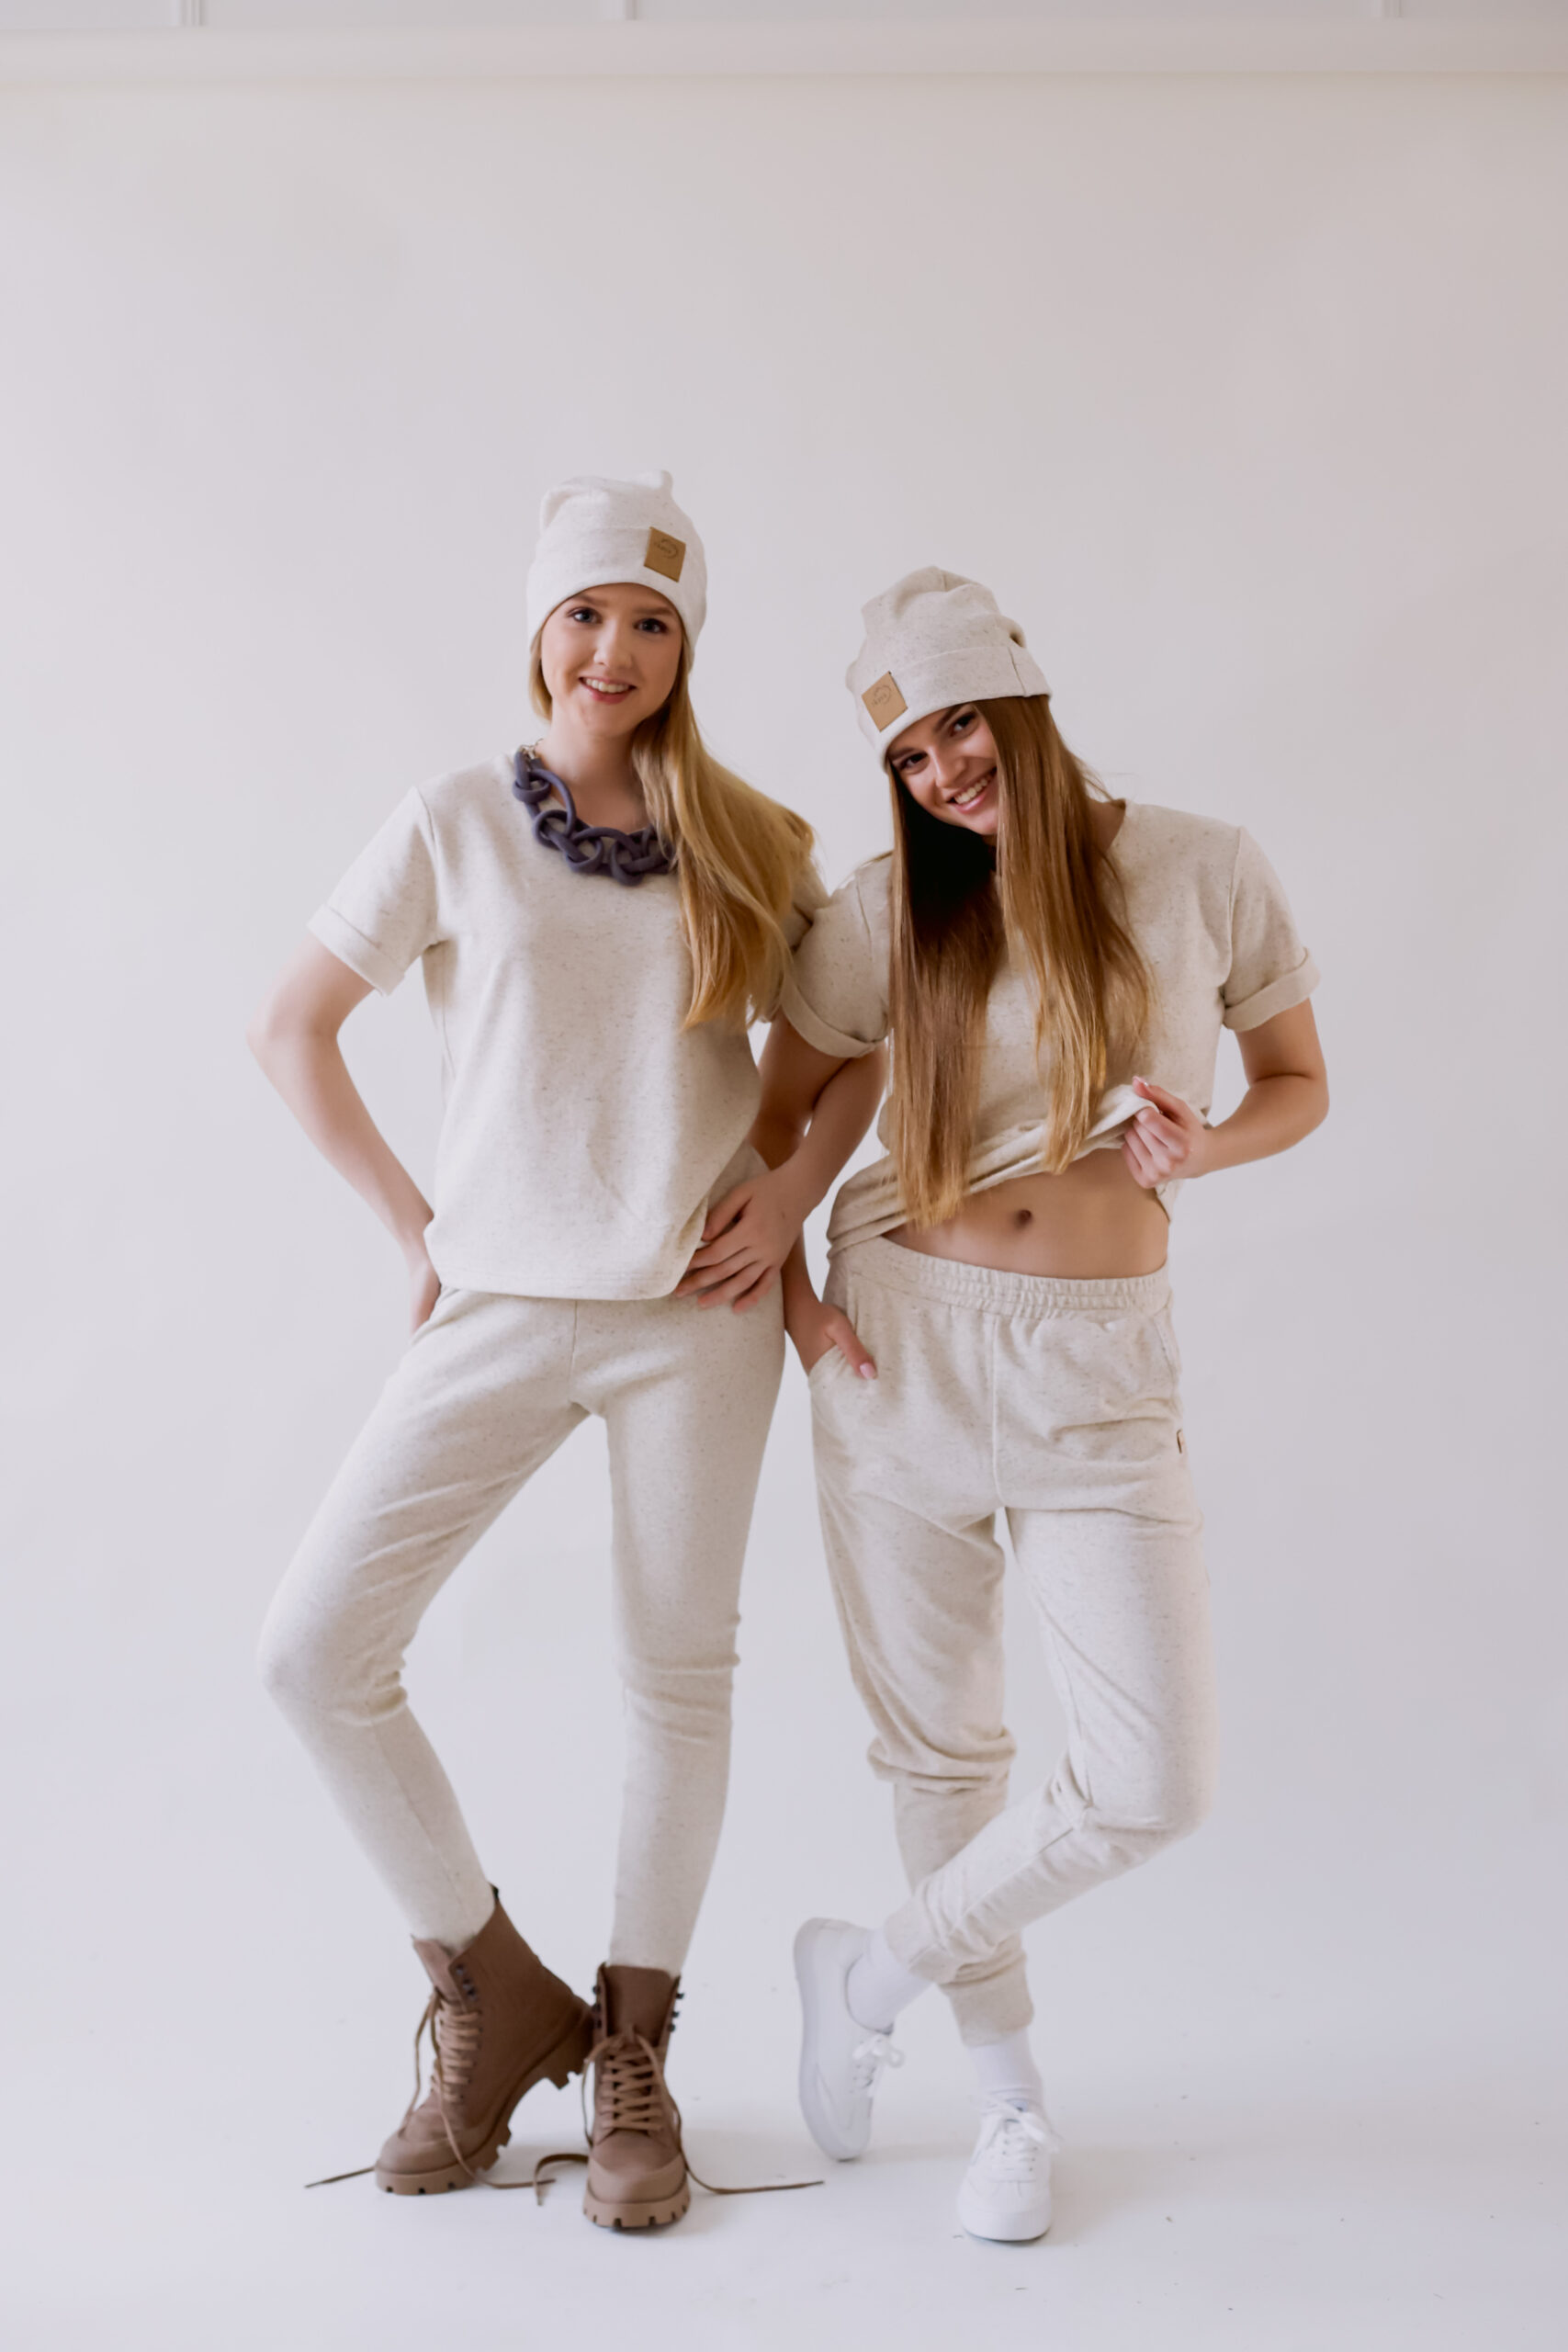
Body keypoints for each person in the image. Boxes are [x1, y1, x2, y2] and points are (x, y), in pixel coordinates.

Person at [248, 472, 880, 2231]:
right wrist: (414, 1227)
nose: (616, 648)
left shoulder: (751, 837)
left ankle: (633, 2049)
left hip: (699, 1315)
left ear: (688, 649)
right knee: (314, 1653)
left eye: (654, 621)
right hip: (504, 1306)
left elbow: (851, 1046)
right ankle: (492, 1992)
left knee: (676, 1679)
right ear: (539, 627)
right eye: (587, 612)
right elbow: (292, 1027)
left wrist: (789, 1195)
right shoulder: (454, 818)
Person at [715, 566, 1326, 2243]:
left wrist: (1208, 1143)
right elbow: (773, 1125)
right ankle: (1008, 2103)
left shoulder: (1203, 866)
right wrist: (799, 1309)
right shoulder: (884, 911)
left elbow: (1298, 1080)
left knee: (1152, 1781)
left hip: (1099, 1368)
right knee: (945, 1752)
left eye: (960, 727)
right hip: (896, 1345)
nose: (943, 774)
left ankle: (871, 1973)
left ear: (1024, 699)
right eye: (907, 758)